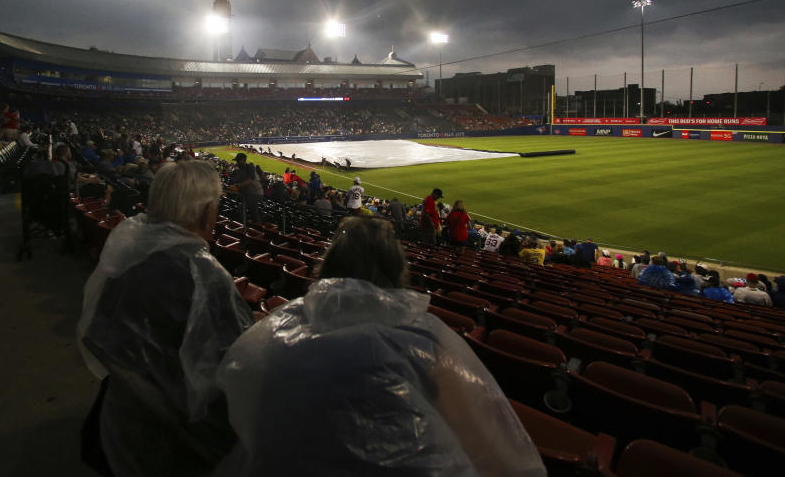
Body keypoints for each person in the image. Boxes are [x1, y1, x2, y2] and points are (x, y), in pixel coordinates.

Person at [216, 217, 547, 476]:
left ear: (329, 266)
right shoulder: (423, 338)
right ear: (396, 269)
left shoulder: (283, 325)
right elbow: (488, 446)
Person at [78, 160, 255, 477]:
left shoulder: (127, 255)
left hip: (120, 423)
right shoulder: (204, 276)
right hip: (176, 442)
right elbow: (237, 372)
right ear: (204, 212)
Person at [229, 152, 263, 222]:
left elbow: (250, 180)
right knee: (254, 214)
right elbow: (234, 182)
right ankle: (257, 227)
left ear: (243, 160)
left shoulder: (250, 166)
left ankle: (243, 228)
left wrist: (237, 185)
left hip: (255, 193)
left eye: (238, 161)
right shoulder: (239, 171)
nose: (237, 163)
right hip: (248, 194)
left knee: (241, 209)